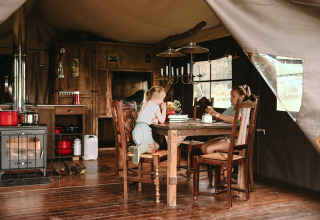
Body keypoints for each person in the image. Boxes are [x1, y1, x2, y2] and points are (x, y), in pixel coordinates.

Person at [201, 85, 255, 180]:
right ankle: (224, 169)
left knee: (209, 149)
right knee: (203, 147)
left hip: (237, 140)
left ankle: (225, 170)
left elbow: (234, 119)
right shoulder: (233, 107)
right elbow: (221, 116)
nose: (230, 98)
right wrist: (211, 112)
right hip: (228, 137)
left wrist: (216, 114)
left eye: (233, 96)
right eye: (230, 96)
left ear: (241, 97)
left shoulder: (244, 108)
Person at [129, 86, 166, 165]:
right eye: (161, 99)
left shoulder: (146, 103)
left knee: (157, 145)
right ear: (156, 99)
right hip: (144, 129)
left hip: (137, 130)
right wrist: (164, 109)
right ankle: (139, 150)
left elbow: (148, 116)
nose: (162, 101)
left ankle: (138, 149)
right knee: (152, 149)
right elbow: (162, 120)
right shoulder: (155, 106)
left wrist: (155, 119)